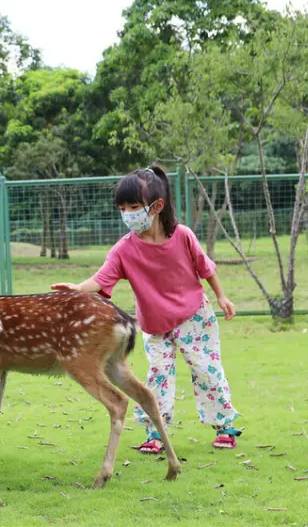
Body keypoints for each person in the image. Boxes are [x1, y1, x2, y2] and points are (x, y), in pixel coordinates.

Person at [51, 163, 242, 452]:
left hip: (193, 315)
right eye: (123, 208)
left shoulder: (183, 236)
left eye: (133, 206)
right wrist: (78, 288)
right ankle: (155, 433)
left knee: (206, 369)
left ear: (156, 206)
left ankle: (224, 425)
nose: (128, 214)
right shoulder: (124, 249)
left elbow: (206, 268)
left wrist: (222, 297)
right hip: (154, 325)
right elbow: (102, 278)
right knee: (158, 376)